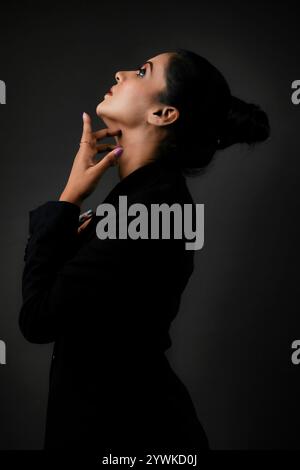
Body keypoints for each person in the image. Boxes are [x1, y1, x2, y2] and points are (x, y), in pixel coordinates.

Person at [19, 49, 270, 455]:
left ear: (163, 114)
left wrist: (68, 201)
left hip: (129, 435)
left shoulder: (150, 207)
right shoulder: (147, 201)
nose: (119, 71)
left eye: (141, 71)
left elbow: (38, 319)